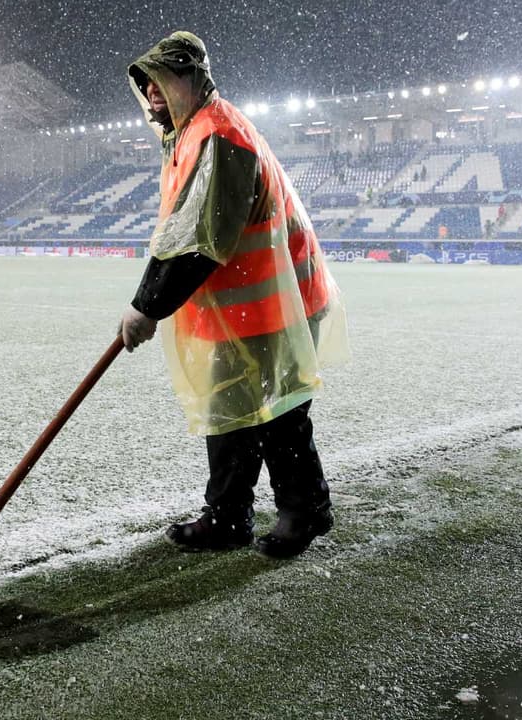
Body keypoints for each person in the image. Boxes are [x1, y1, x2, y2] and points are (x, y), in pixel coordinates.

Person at [117, 31, 350, 559]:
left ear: (193, 79)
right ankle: (227, 516)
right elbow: (179, 233)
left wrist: (147, 307)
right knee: (229, 411)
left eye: (164, 80)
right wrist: (148, 300)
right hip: (236, 309)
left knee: (277, 413)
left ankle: (305, 510)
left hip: (274, 301)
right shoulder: (190, 134)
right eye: (147, 83)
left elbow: (198, 242)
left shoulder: (217, 135)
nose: (153, 92)